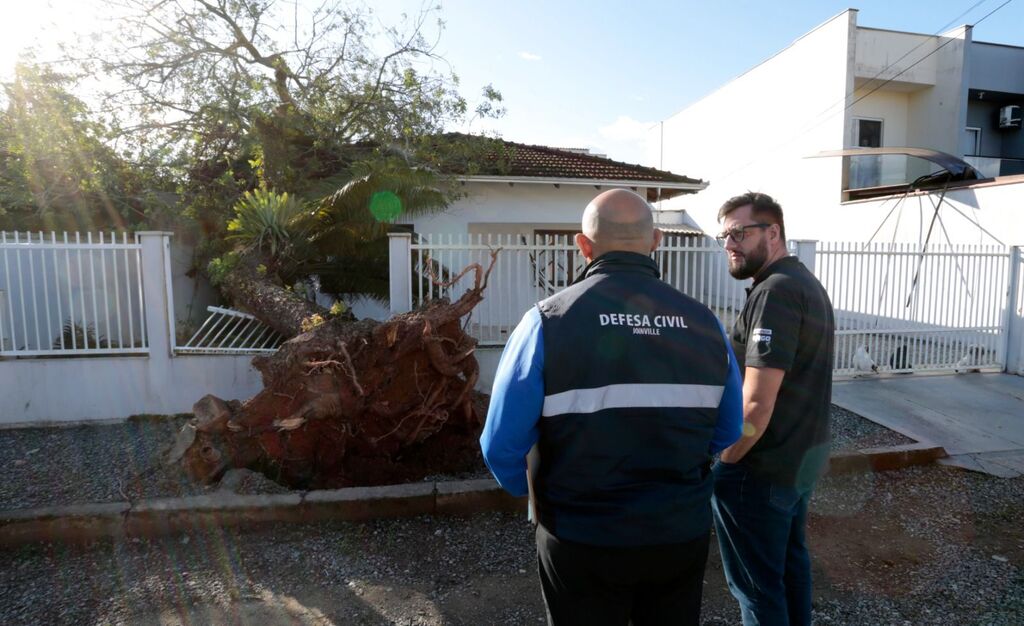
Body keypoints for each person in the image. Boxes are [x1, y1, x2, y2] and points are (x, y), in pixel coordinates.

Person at [480, 188, 743, 626]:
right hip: (678, 534)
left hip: (581, 537)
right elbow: (729, 428)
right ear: (656, 240)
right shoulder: (706, 324)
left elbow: (501, 445)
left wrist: (533, 496)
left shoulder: (546, 321)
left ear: (583, 246)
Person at [712, 192, 835, 626]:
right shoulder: (803, 283)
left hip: (760, 470)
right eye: (724, 235)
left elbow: (757, 401)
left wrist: (726, 462)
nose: (729, 244)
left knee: (757, 590)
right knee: (787, 570)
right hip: (795, 464)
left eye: (738, 233)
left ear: (773, 232)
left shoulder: (777, 292)